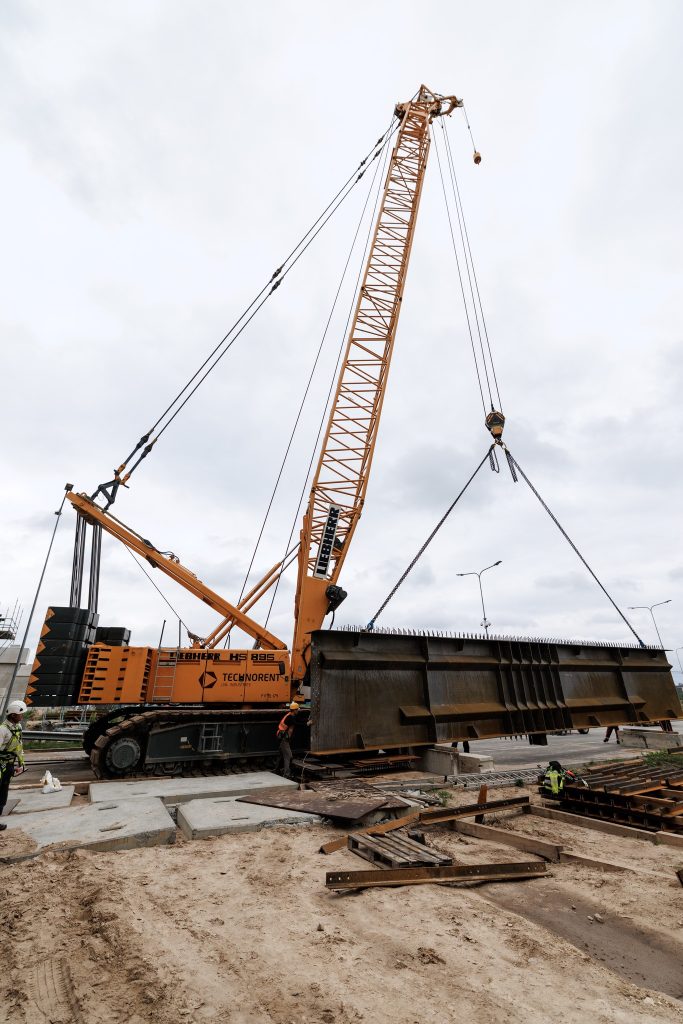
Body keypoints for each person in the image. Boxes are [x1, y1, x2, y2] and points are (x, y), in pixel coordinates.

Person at [0, 700, 27, 830]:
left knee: (2, 795)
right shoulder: (3, 730)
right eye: (20, 714)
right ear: (13, 715)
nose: (22, 716)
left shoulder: (18, 728)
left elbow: (19, 747)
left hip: (9, 766)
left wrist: (21, 763)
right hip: (0, 765)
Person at [276, 701, 300, 779]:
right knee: (288, 756)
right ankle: (286, 774)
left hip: (281, 736)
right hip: (284, 739)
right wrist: (307, 723)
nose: (298, 711)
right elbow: (292, 728)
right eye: (297, 709)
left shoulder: (288, 715)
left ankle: (277, 770)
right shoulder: (291, 718)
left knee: (281, 755)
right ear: (294, 710)